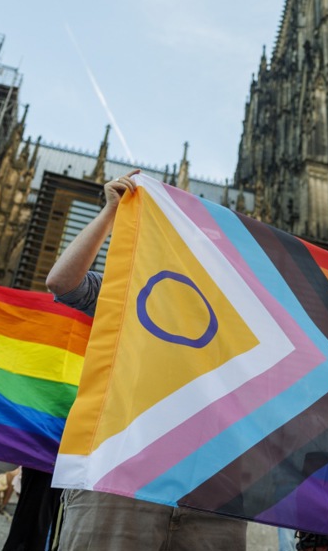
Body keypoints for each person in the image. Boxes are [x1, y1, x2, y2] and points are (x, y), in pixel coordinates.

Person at [46, 170, 247, 550]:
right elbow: (63, 283)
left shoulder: (248, 318)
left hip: (212, 491)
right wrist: (110, 212)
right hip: (120, 478)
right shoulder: (138, 291)